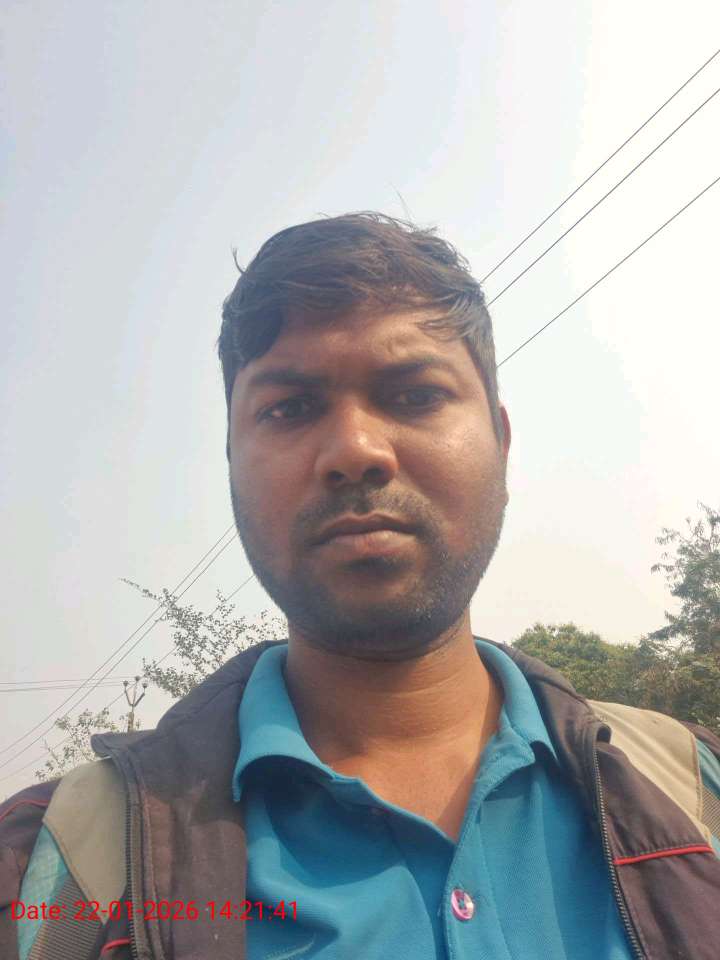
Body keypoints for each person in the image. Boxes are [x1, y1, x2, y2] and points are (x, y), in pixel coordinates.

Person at [1, 212, 719, 960]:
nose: (355, 449)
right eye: (290, 408)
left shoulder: (694, 790)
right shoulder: (52, 873)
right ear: (232, 464)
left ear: (502, 444)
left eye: (415, 395)